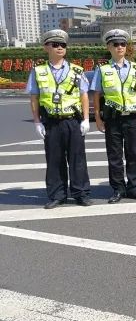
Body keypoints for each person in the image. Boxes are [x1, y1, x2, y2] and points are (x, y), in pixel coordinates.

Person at [26, 29, 92, 209]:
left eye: (63, 45)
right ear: (46, 47)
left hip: (72, 120)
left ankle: (81, 193)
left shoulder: (77, 70)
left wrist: (86, 119)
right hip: (52, 121)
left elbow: (84, 96)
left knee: (77, 159)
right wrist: (37, 121)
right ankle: (57, 195)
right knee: (54, 160)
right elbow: (34, 98)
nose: (60, 48)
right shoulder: (38, 71)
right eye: (55, 45)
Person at [91, 29, 136, 203]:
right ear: (109, 47)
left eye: (123, 44)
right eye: (115, 44)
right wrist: (98, 119)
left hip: (133, 117)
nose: (120, 47)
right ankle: (118, 189)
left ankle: (133, 187)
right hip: (113, 119)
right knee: (114, 156)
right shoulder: (103, 69)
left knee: (134, 154)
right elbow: (97, 94)